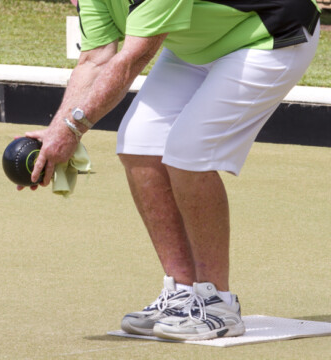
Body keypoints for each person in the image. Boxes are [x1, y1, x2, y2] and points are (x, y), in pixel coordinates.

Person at [23, 0, 320, 341]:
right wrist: (60, 127)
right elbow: (95, 58)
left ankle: (218, 304)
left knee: (189, 151)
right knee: (137, 143)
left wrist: (72, 129)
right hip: (194, 47)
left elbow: (131, 60)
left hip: (267, 35)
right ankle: (182, 294)